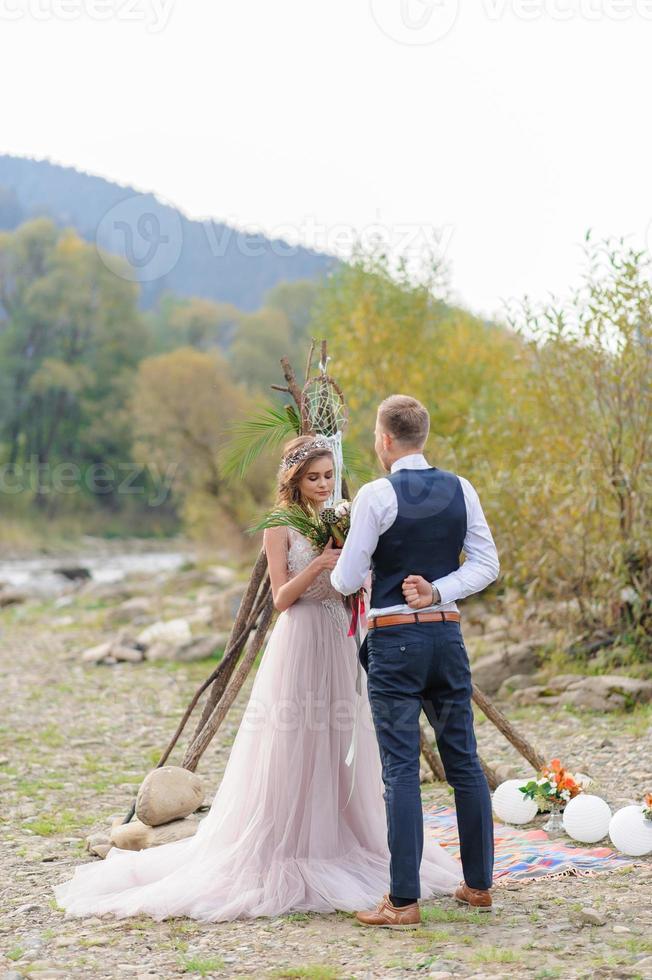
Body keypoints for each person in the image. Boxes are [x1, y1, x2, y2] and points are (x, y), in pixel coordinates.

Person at [53, 434, 462, 922]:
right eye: (313, 477)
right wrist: (316, 565)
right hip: (302, 639)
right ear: (293, 480)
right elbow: (280, 598)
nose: (323, 485)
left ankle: (347, 834)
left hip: (340, 639)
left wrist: (357, 581)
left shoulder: (347, 516)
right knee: (296, 736)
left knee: (342, 734)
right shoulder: (279, 525)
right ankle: (291, 841)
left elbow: (357, 580)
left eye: (329, 476)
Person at [330, 395, 500, 928]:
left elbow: (343, 579)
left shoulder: (376, 495)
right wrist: (437, 590)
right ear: (422, 436)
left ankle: (403, 902)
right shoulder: (461, 488)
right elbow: (487, 565)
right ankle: (477, 886)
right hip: (446, 641)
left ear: (383, 440)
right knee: (465, 763)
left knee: (401, 770)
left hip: (395, 646)